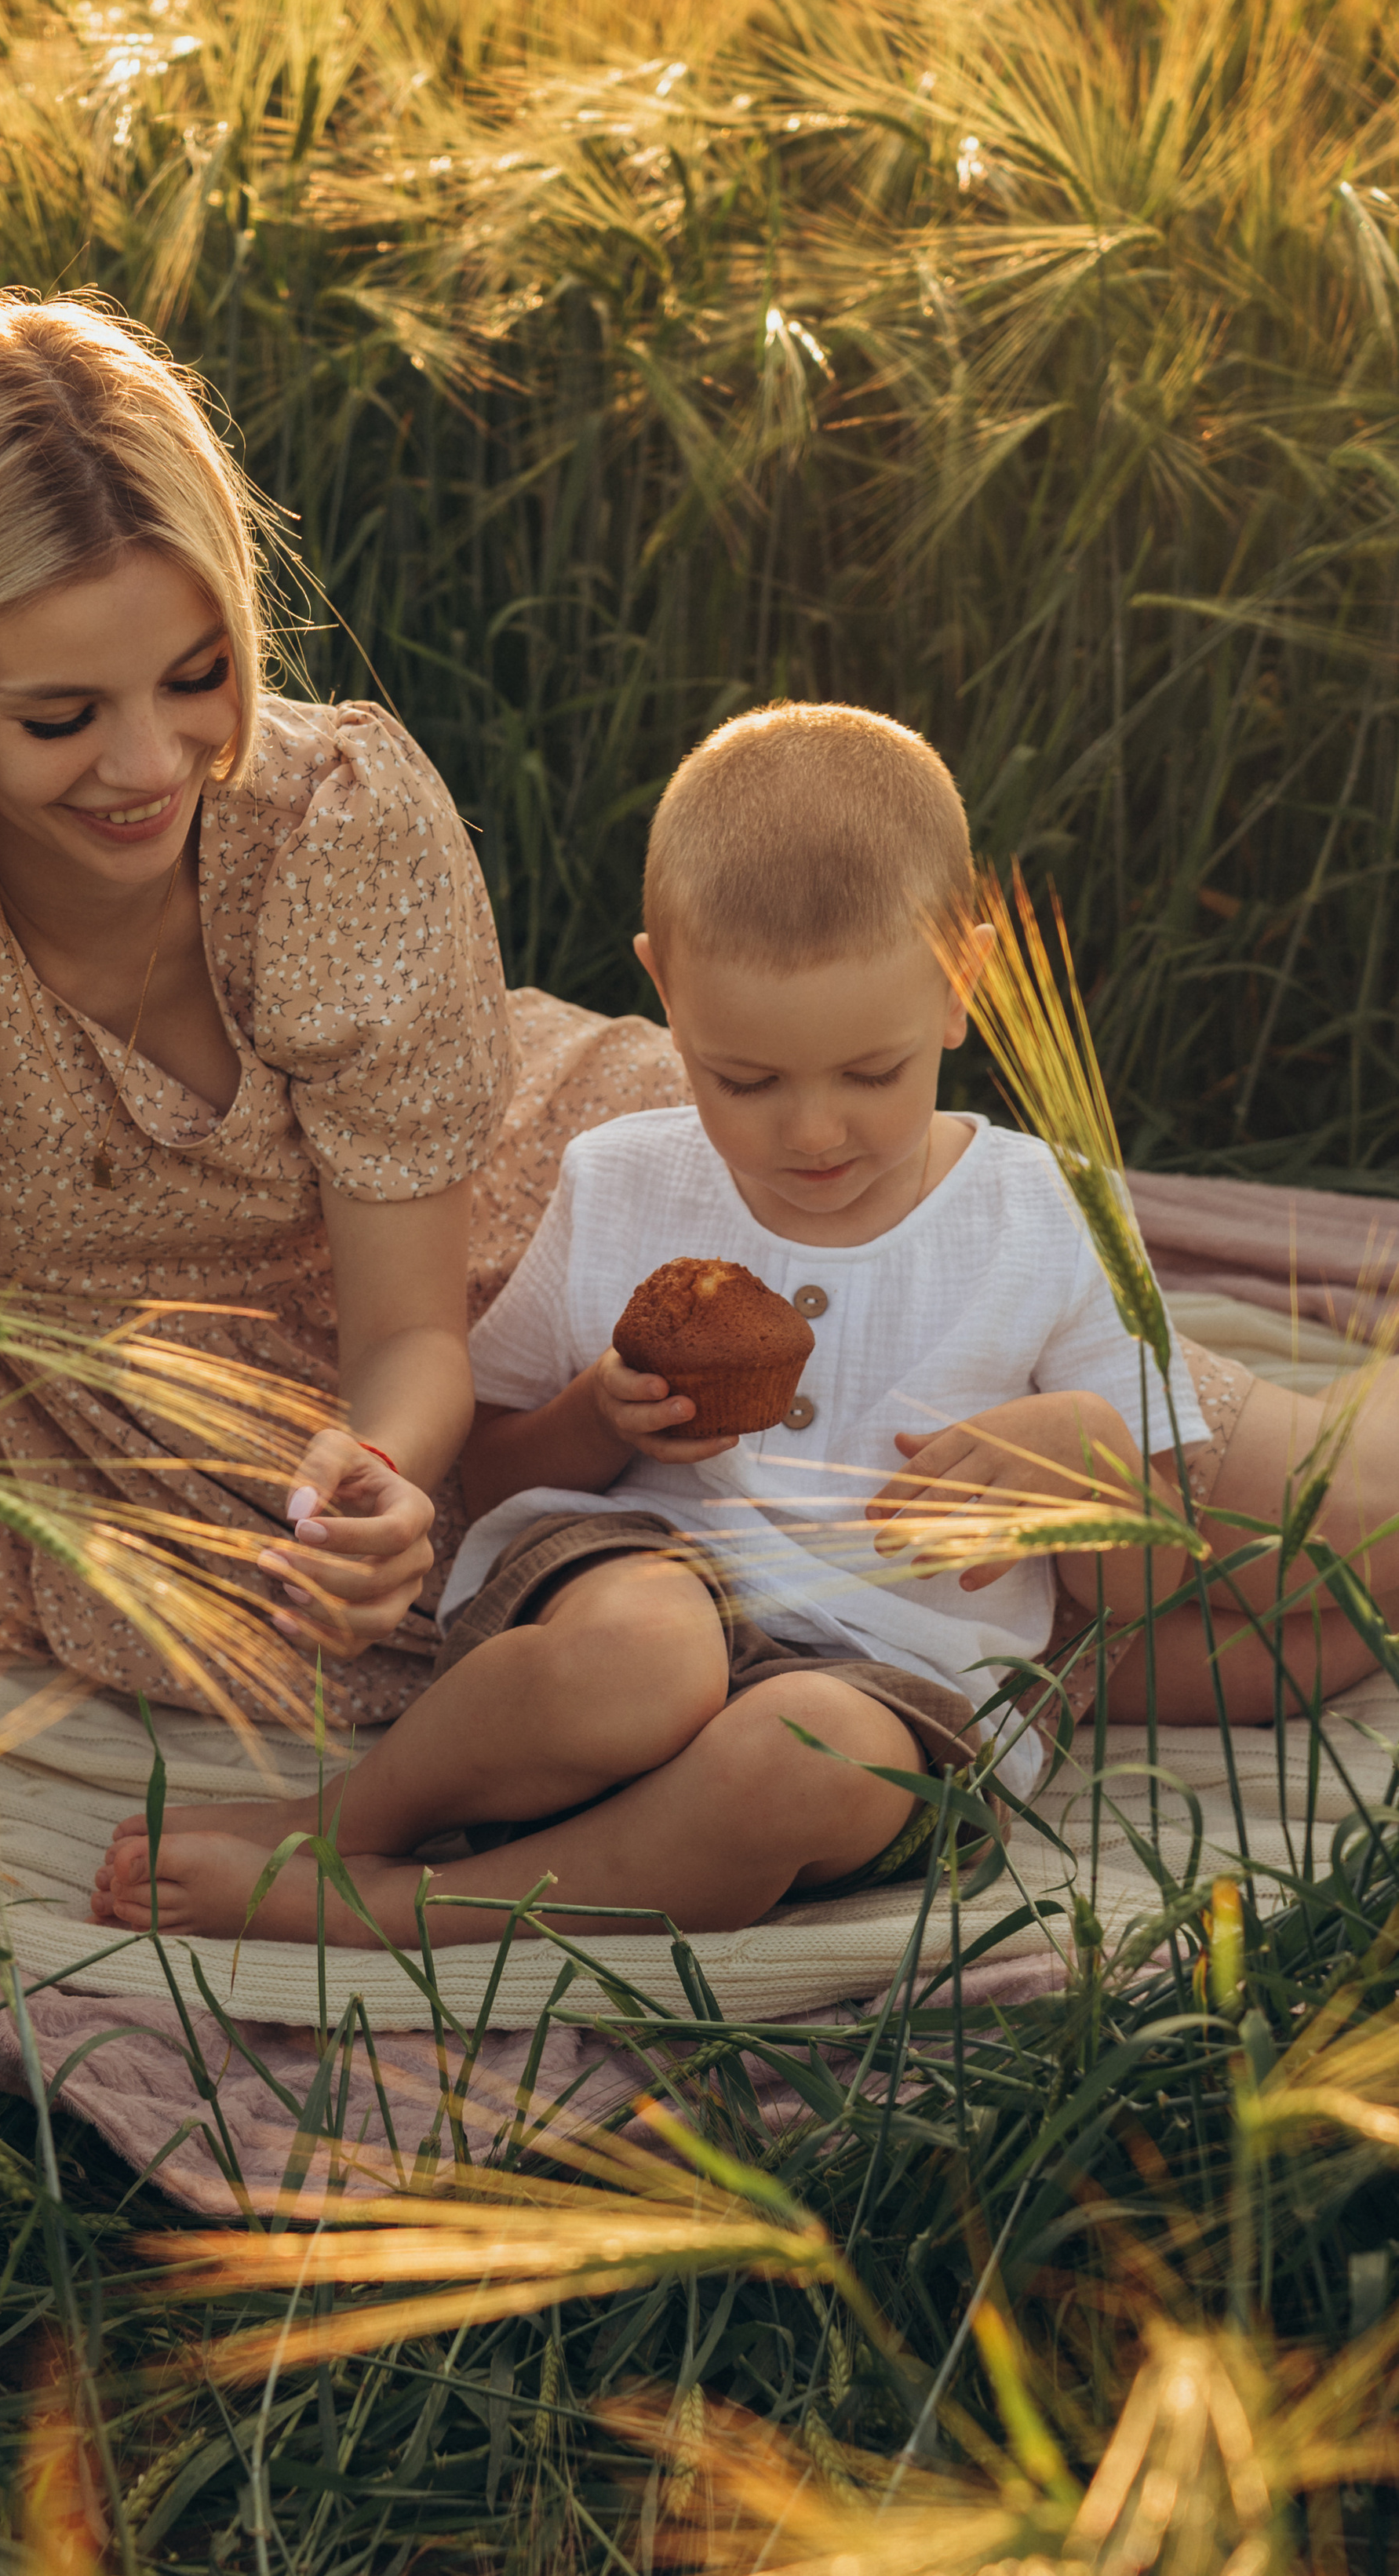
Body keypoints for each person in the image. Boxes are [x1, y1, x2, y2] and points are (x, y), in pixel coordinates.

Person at [91, 705, 1399, 1947]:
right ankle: (333, 1828)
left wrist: (1089, 1466)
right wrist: (593, 1419)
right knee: (645, 1662)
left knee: (793, 1760)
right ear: (666, 991)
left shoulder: (1048, 1214)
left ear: (964, 983)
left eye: (872, 1073)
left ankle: (421, 1912)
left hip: (904, 1675)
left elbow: (1136, 1595)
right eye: (746, 1077)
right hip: (648, 1565)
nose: (813, 1131)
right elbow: (483, 1471)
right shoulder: (623, 1180)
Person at [0, 290, 683, 1721]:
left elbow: (410, 1330)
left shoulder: (335, 825)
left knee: (885, 1371)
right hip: (167, 1452)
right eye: (60, 716)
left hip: (512, 1262)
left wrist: (386, 1464)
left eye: (199, 677)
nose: (150, 763)